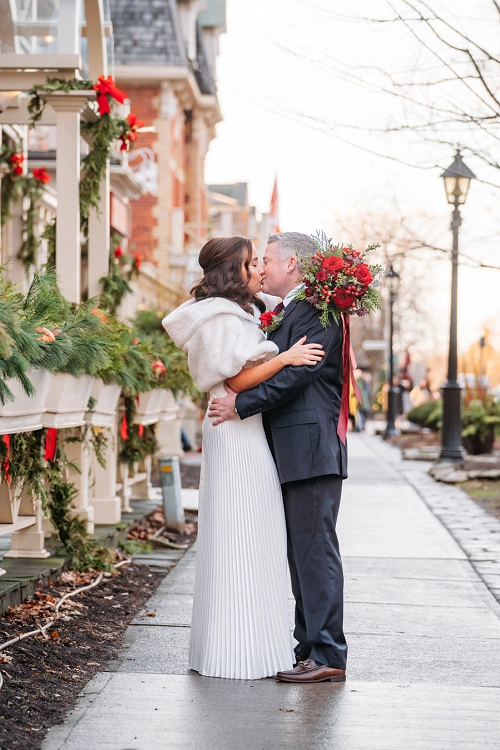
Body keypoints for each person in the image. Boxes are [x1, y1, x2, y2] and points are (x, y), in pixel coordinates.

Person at [162, 235, 326, 680]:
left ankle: (255, 642)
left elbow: (284, 298)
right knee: (243, 530)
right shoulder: (217, 317)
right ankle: (236, 650)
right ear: (233, 271)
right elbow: (236, 380)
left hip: (242, 426)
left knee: (256, 531)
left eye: (262, 262)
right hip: (232, 427)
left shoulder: (239, 311)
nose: (258, 270)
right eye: (253, 263)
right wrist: (287, 357)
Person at [209, 232, 348, 684]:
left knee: (315, 555)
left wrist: (239, 405)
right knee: (301, 556)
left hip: (310, 450)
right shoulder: (293, 309)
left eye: (266, 259)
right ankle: (308, 649)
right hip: (294, 451)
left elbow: (297, 377)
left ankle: (328, 654)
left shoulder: (317, 309)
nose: (262, 268)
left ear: (291, 263)